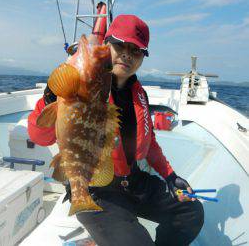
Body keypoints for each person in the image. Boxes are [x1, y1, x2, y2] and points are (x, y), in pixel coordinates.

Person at [28, 14, 204, 246]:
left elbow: (148, 142)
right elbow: (39, 136)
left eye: (136, 50)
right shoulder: (84, 84)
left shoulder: (139, 92)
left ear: (143, 56)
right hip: (96, 190)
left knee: (191, 211)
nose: (127, 55)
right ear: (107, 45)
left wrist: (170, 175)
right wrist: (50, 97)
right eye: (120, 45)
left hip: (133, 183)